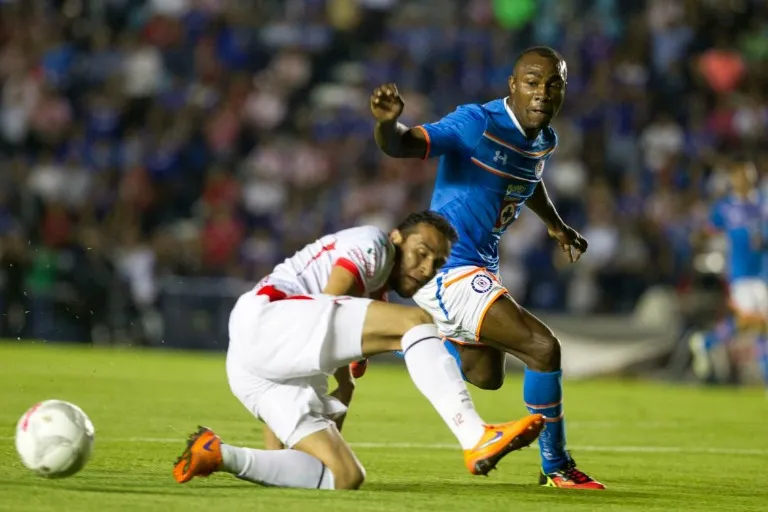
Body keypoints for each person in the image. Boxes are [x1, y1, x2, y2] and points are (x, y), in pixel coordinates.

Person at [368, 46, 604, 489]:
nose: (542, 93)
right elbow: (402, 144)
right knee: (542, 348)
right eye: (532, 82)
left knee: (486, 376)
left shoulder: (543, 139)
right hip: (449, 267)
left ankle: (406, 336)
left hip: (479, 267)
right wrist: (386, 123)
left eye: (553, 84)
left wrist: (556, 225)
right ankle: (557, 467)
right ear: (513, 86)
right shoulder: (476, 123)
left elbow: (526, 177)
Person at [172, 211, 545, 490]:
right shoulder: (374, 244)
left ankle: (217, 454)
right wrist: (341, 378)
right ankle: (474, 435)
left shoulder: (371, 301)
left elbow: (312, 341)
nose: (426, 268)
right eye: (421, 252)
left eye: (437, 263)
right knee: (417, 323)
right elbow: (327, 302)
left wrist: (338, 389)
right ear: (397, 238)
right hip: (269, 317)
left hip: (253, 367)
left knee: (344, 475)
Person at [689, 160, 768, 387]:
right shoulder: (725, 208)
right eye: (741, 176)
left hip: (762, 272)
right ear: (734, 180)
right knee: (758, 324)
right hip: (741, 275)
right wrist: (698, 240)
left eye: (749, 176)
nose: (745, 181)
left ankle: (706, 341)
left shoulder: (762, 204)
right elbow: (708, 231)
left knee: (756, 327)